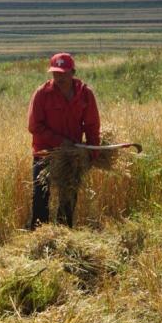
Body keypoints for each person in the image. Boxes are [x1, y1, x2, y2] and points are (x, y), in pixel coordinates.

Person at [27, 52, 100, 229]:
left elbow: (92, 125)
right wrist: (60, 142)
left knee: (68, 195)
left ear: (73, 72)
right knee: (40, 196)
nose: (59, 77)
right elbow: (34, 126)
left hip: (72, 154)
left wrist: (92, 153)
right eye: (55, 73)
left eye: (63, 73)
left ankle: (64, 233)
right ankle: (39, 234)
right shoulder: (42, 94)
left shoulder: (85, 94)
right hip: (45, 153)